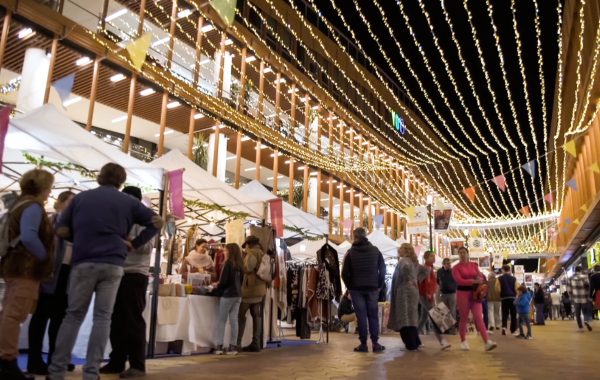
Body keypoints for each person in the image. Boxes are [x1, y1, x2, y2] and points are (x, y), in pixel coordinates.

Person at [48, 163, 163, 380]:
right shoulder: (128, 202)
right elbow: (158, 221)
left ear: (100, 176)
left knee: (72, 316)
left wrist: (80, 240)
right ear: (121, 180)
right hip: (113, 264)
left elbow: (61, 229)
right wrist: (133, 243)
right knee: (104, 318)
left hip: (84, 262)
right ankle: (91, 373)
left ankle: (56, 372)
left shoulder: (81, 199)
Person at [0, 169, 55, 380]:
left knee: (8, 314)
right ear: (42, 187)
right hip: (26, 268)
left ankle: (5, 360)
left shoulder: (19, 203)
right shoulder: (32, 206)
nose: (50, 191)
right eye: (49, 186)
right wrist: (42, 256)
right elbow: (30, 236)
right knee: (14, 315)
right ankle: (8, 363)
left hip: (14, 267)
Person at [99, 186, 155, 378]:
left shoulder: (144, 219)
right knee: (114, 320)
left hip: (134, 274)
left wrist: (127, 239)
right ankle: (116, 362)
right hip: (113, 272)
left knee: (132, 321)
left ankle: (138, 366)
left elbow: (147, 247)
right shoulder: (116, 216)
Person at [27, 191, 75, 376]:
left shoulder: (75, 225)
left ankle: (56, 358)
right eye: (70, 202)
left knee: (60, 319)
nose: (73, 206)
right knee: (41, 318)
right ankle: (34, 360)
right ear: (60, 203)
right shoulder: (50, 221)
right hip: (49, 273)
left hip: (68, 274)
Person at [341, 227, 386, 353]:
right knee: (373, 315)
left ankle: (363, 344)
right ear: (366, 236)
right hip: (372, 288)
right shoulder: (375, 251)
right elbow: (383, 269)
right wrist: (379, 284)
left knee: (361, 316)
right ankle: (375, 344)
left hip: (356, 289)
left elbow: (344, 273)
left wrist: (350, 287)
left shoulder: (350, 253)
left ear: (354, 236)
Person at [452, 247, 497, 352]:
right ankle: (463, 341)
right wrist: (472, 281)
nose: (463, 254)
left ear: (467, 254)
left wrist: (478, 280)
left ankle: (487, 342)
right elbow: (459, 281)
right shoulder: (456, 268)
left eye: (464, 252)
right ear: (458, 255)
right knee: (463, 318)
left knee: (478, 317)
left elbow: (481, 277)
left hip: (475, 294)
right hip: (462, 293)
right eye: (461, 253)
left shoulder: (473, 265)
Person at [387, 243, 422, 351]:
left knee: (404, 318)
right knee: (411, 317)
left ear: (406, 250)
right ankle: (415, 341)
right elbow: (423, 271)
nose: (399, 249)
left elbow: (406, 269)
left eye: (401, 248)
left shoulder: (404, 261)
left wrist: (408, 279)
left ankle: (410, 343)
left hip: (404, 293)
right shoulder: (413, 262)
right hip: (412, 292)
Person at [212, 243, 243, 356]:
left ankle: (219, 346)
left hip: (227, 295)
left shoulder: (227, 264)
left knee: (222, 320)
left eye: (225, 250)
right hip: (238, 295)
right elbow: (241, 281)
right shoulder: (240, 265)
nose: (224, 252)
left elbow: (224, 282)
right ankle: (233, 347)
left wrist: (216, 287)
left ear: (230, 252)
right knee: (234, 320)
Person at [237, 236, 266, 352]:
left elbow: (248, 267)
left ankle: (237, 343)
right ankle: (256, 343)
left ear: (249, 244)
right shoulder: (261, 252)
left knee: (241, 313)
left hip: (251, 287)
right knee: (256, 312)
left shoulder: (253, 253)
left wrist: (241, 263)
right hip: (260, 286)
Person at [418, 251, 450, 350]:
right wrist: (429, 294)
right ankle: (441, 340)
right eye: (432, 256)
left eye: (434, 256)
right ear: (426, 258)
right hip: (426, 295)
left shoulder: (430, 268)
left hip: (427, 294)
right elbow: (426, 282)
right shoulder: (427, 268)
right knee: (434, 316)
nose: (434, 258)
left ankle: (414, 337)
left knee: (424, 317)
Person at [495, 264, 518, 336]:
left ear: (503, 270)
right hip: (512, 298)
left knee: (505, 313)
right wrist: (516, 296)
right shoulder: (514, 278)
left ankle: (504, 327)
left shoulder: (499, 278)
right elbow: (516, 288)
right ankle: (513, 330)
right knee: (513, 314)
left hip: (504, 298)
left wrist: (499, 296)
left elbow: (497, 289)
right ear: (509, 270)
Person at [568, 266, 592, 332]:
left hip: (576, 299)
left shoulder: (570, 278)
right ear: (581, 270)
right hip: (584, 297)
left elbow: (569, 290)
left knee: (577, 314)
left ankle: (580, 328)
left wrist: (572, 297)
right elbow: (588, 287)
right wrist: (588, 296)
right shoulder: (584, 277)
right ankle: (586, 320)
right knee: (585, 312)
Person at [436, 258, 457, 335]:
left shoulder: (453, 271)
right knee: (443, 312)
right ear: (443, 264)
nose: (449, 265)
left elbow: (457, 281)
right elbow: (437, 281)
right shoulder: (439, 272)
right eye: (447, 263)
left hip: (452, 293)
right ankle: (445, 329)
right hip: (443, 293)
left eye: (449, 263)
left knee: (452, 312)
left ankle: (452, 330)